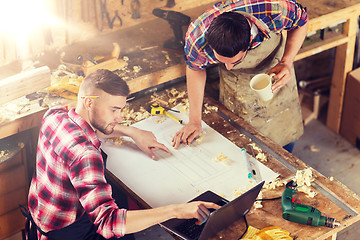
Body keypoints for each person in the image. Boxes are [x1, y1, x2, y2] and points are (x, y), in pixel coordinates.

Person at [25, 69, 219, 240]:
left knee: (117, 196)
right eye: (114, 110)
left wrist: (132, 132)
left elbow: (91, 127)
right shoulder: (85, 154)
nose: (119, 117)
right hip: (67, 228)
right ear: (89, 103)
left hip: (41, 212)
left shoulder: (55, 115)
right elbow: (108, 223)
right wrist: (176, 210)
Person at [172, 0, 309, 153]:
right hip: (238, 86)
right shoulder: (197, 36)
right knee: (245, 145)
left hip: (276, 72)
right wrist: (195, 120)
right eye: (222, 61)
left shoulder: (275, 9)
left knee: (285, 135)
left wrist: (287, 61)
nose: (228, 67)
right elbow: (195, 68)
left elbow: (302, 20)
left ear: (250, 39)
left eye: (236, 61)